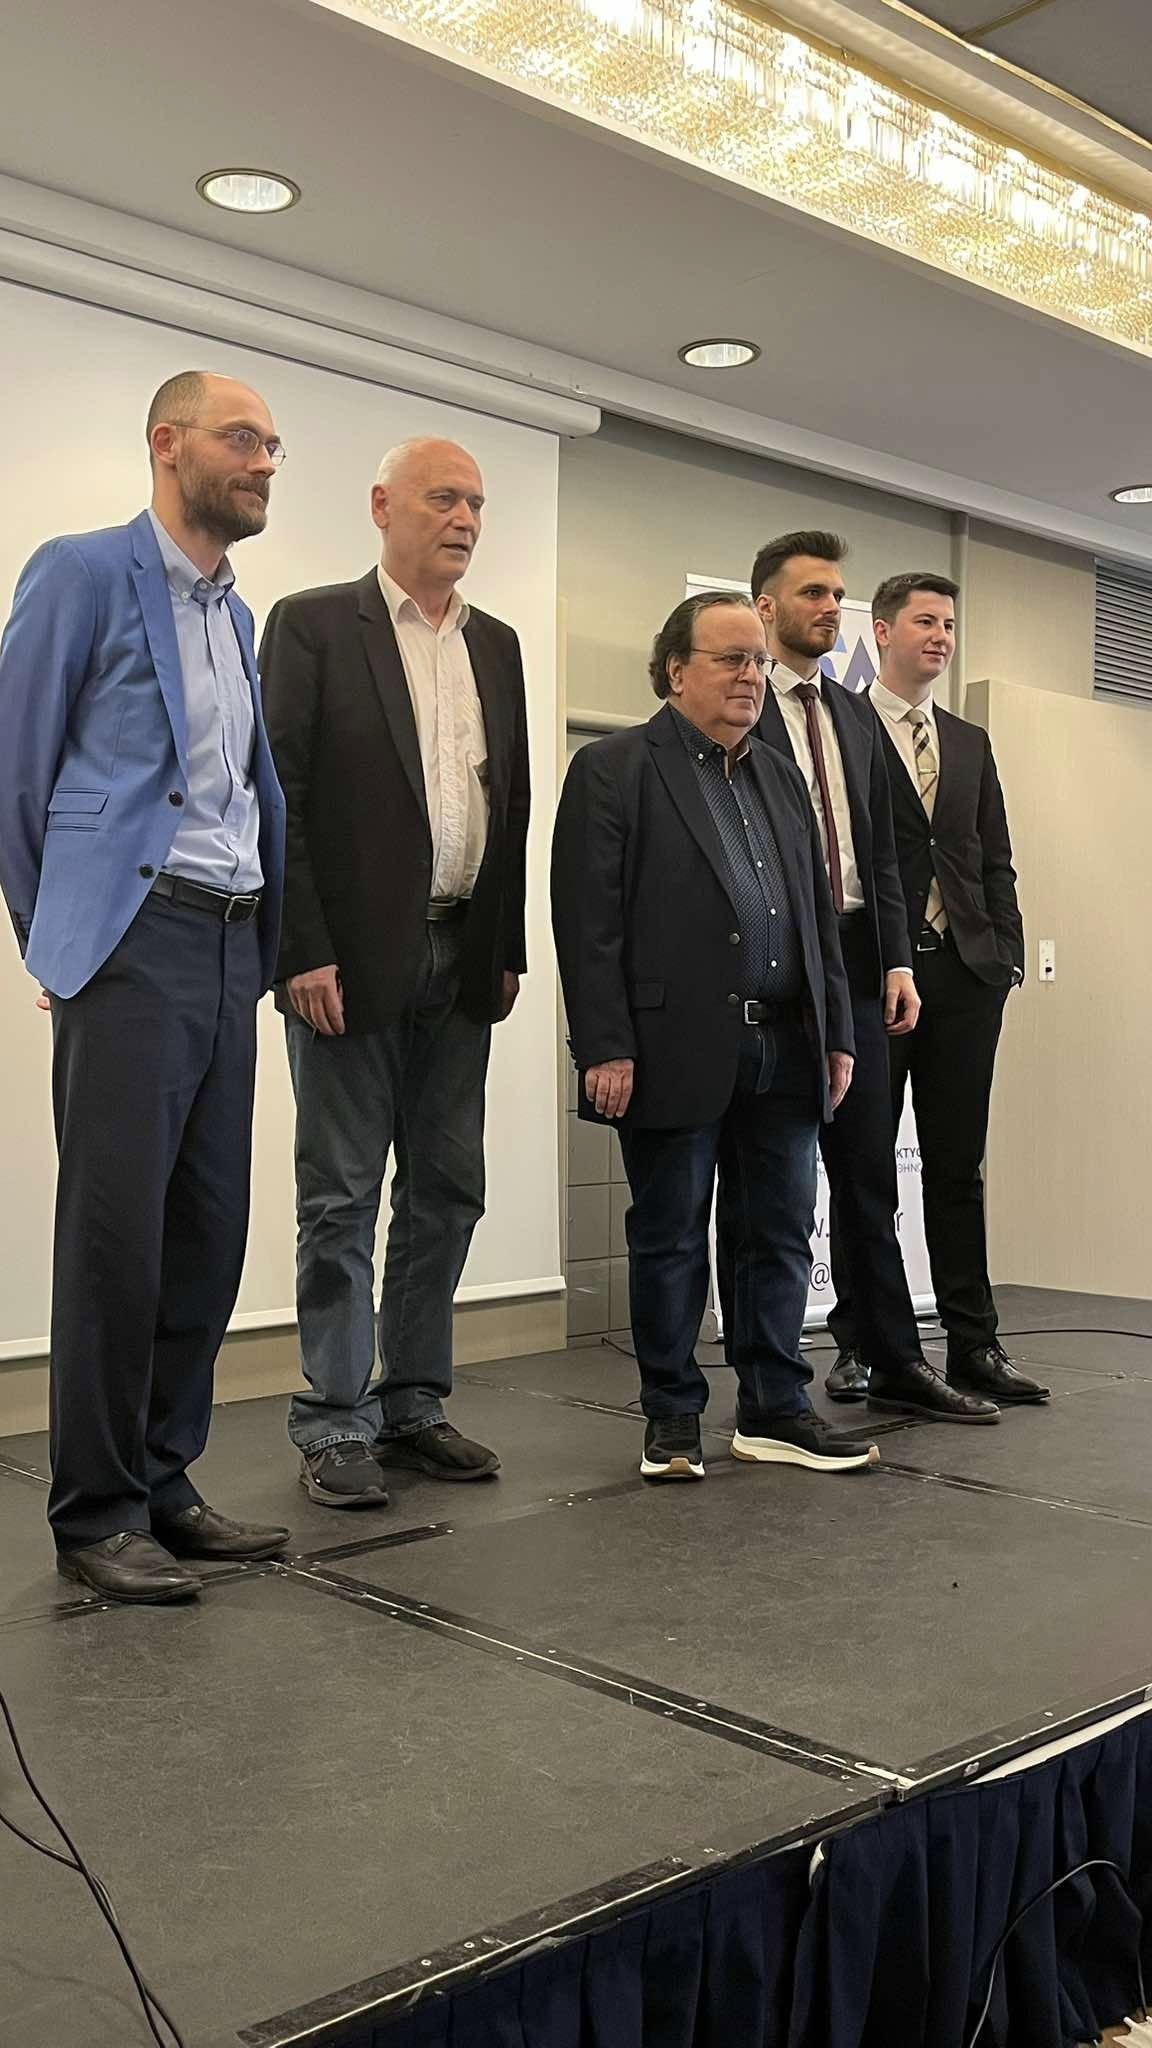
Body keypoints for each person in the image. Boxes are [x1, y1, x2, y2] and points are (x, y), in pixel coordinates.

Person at [0, 370, 290, 1603]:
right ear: (168, 444)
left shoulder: (237, 612)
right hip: (134, 941)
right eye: (243, 439)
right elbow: (14, 770)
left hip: (230, 942)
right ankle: (97, 1510)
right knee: (114, 1240)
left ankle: (165, 1480)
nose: (265, 462)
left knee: (206, 1234)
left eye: (273, 446)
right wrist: (63, 936)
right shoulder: (80, 571)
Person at [552, 590, 879, 1480]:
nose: (751, 676)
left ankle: (774, 1408)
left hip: (785, 1044)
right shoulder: (614, 769)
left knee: (778, 1233)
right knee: (670, 1237)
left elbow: (816, 918)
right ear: (675, 671)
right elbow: (587, 925)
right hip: (671, 1047)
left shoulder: (781, 776)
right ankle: (672, 1418)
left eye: (758, 661)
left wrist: (836, 1034)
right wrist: (604, 1046)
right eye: (731, 659)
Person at [260, 437, 529, 1508]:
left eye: (477, 503)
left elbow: (509, 804)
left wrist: (505, 947)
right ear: (382, 506)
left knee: (448, 1189)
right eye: (443, 498)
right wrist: (299, 948)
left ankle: (413, 1402)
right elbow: (279, 794)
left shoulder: (496, 644)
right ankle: (334, 1418)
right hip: (350, 960)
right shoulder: (315, 625)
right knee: (339, 1194)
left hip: (462, 954)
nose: (464, 519)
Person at [750, 531, 998, 1425]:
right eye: (813, 592)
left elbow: (885, 856)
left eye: (836, 593)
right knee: (782, 1178)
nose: (830, 606)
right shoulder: (743, 706)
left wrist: (900, 956)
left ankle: (900, 1356)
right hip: (780, 958)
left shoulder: (851, 719)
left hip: (869, 960)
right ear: (766, 607)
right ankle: (787, 1377)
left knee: (871, 1171)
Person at [827, 572, 1045, 1404]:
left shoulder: (968, 741)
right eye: (925, 621)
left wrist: (1004, 953)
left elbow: (993, 858)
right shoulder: (841, 726)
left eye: (949, 624)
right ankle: (862, 1342)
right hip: (875, 975)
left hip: (965, 976)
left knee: (958, 1167)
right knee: (865, 1169)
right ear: (882, 632)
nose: (941, 637)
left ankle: (973, 1345)